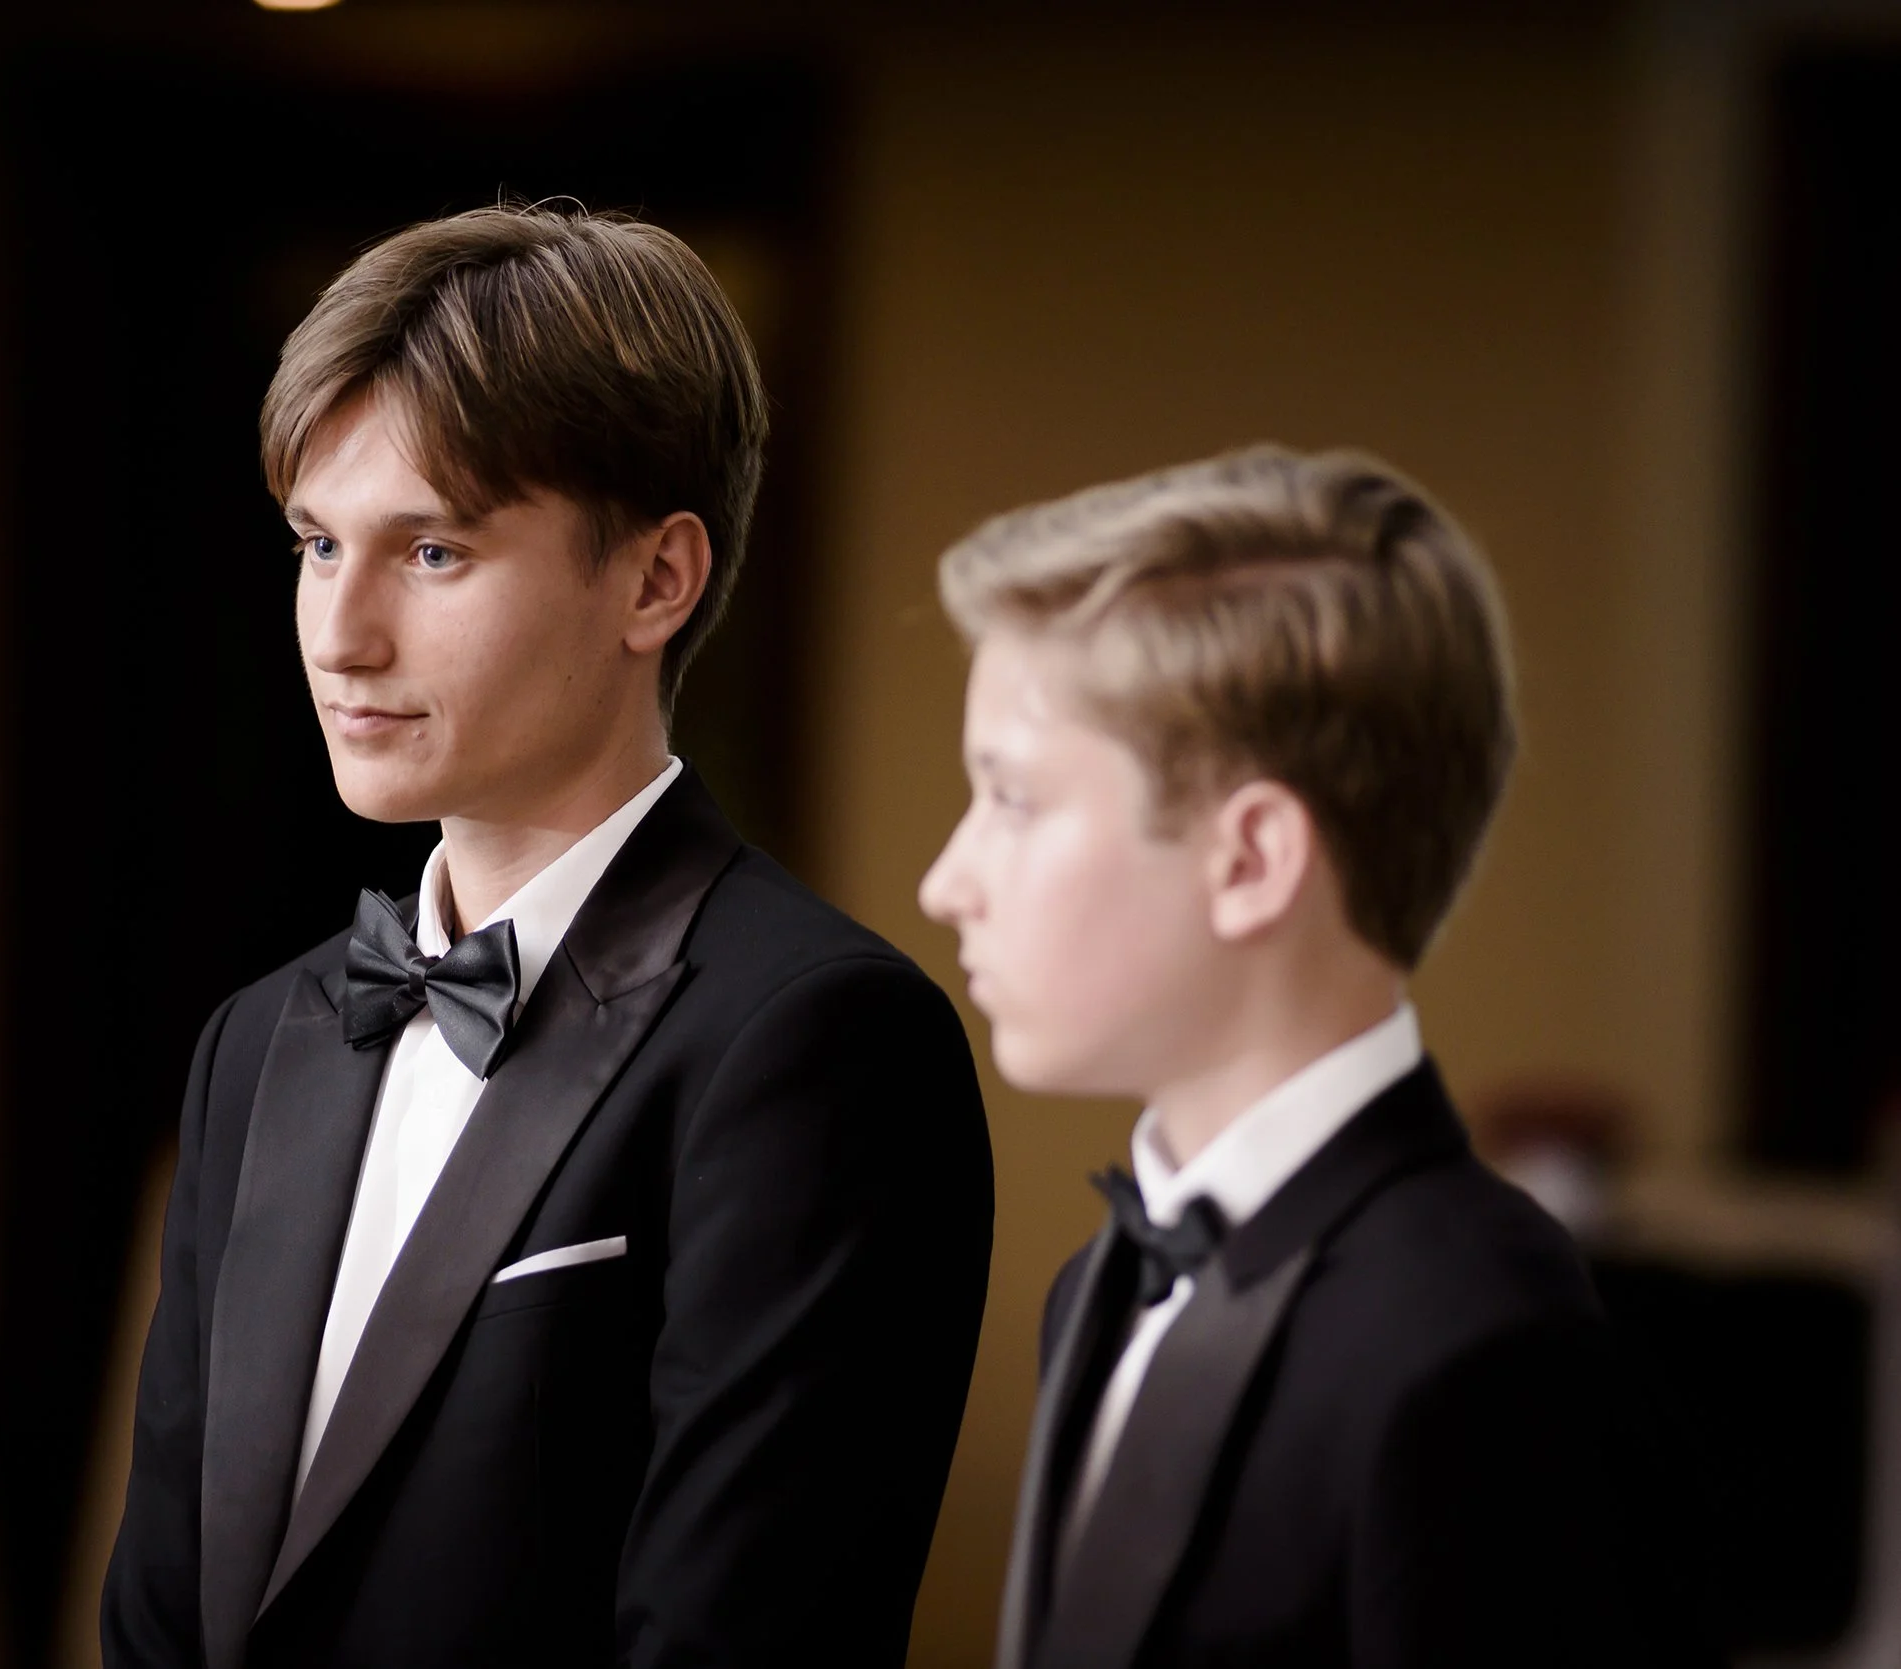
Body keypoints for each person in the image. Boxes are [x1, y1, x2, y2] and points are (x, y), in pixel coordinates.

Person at [102, 204, 994, 1669]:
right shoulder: (253, 1046)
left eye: (431, 550)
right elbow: (160, 1614)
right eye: (317, 544)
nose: (340, 634)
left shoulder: (819, 1040)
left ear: (656, 580)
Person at [918, 447, 1718, 1669]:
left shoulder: (1483, 1353)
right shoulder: (1098, 1285)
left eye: (1012, 798)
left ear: (1250, 860)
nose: (946, 882)